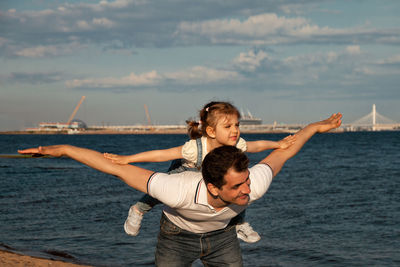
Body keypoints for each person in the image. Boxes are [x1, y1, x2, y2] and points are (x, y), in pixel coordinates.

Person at [18, 113, 342, 267]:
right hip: (176, 239)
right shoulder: (177, 189)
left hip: (223, 239)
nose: (248, 191)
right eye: (238, 186)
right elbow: (115, 168)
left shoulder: (253, 183)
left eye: (246, 181)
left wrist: (315, 127)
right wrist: (59, 149)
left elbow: (284, 151)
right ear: (213, 187)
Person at [103, 101, 296, 243]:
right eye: (228, 126)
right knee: (159, 193)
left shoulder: (237, 143)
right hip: (186, 172)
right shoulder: (194, 148)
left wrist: (277, 144)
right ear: (211, 131)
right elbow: (161, 155)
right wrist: (128, 159)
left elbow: (257, 145)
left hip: (211, 178)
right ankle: (138, 209)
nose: (235, 130)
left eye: (237, 125)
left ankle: (239, 224)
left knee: (236, 192)